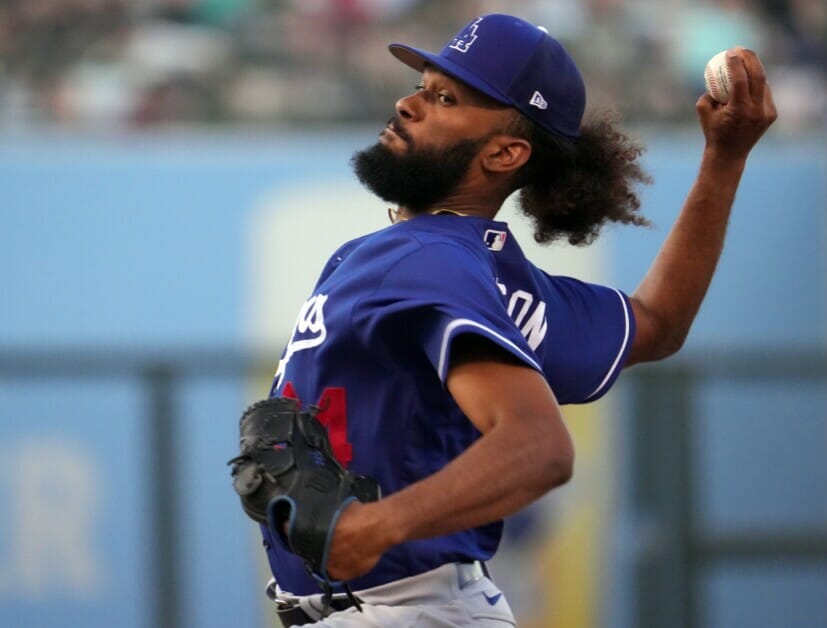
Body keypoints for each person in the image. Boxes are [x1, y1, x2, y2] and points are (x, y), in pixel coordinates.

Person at [259, 13, 776, 628]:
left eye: (445, 98)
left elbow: (538, 447)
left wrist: (378, 525)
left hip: (400, 610)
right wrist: (723, 158)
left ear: (505, 152)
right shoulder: (489, 275)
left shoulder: (426, 259)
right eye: (423, 86)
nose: (407, 104)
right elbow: (657, 323)